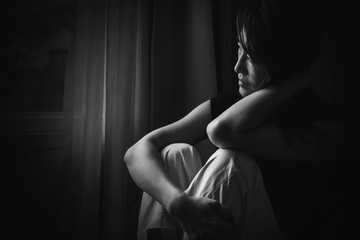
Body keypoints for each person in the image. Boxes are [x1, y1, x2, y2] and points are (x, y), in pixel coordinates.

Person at [124, 0, 349, 239]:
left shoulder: (323, 129)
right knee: (173, 153)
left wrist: (295, 80)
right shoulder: (230, 104)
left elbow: (220, 131)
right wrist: (177, 202)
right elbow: (137, 152)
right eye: (240, 48)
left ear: (283, 62)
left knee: (231, 161)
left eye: (251, 56)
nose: (237, 66)